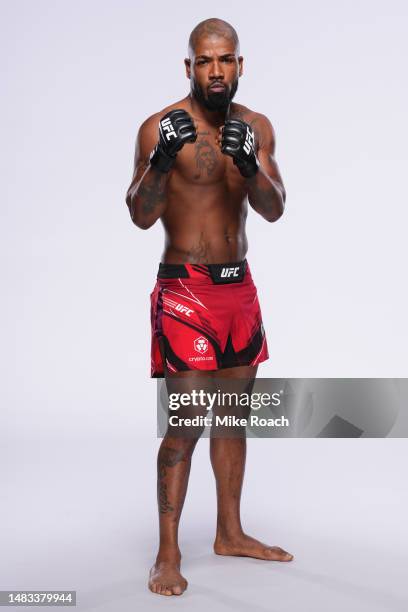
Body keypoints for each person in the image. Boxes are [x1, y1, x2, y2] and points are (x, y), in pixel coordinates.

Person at [125, 17, 293, 597]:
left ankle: (230, 532)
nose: (215, 71)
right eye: (204, 61)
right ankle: (167, 552)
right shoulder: (158, 128)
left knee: (232, 419)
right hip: (185, 289)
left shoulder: (257, 127)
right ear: (189, 66)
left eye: (226, 60)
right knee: (186, 423)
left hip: (238, 289)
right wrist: (160, 161)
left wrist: (250, 166)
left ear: (240, 65)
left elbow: (273, 208)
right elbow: (140, 214)